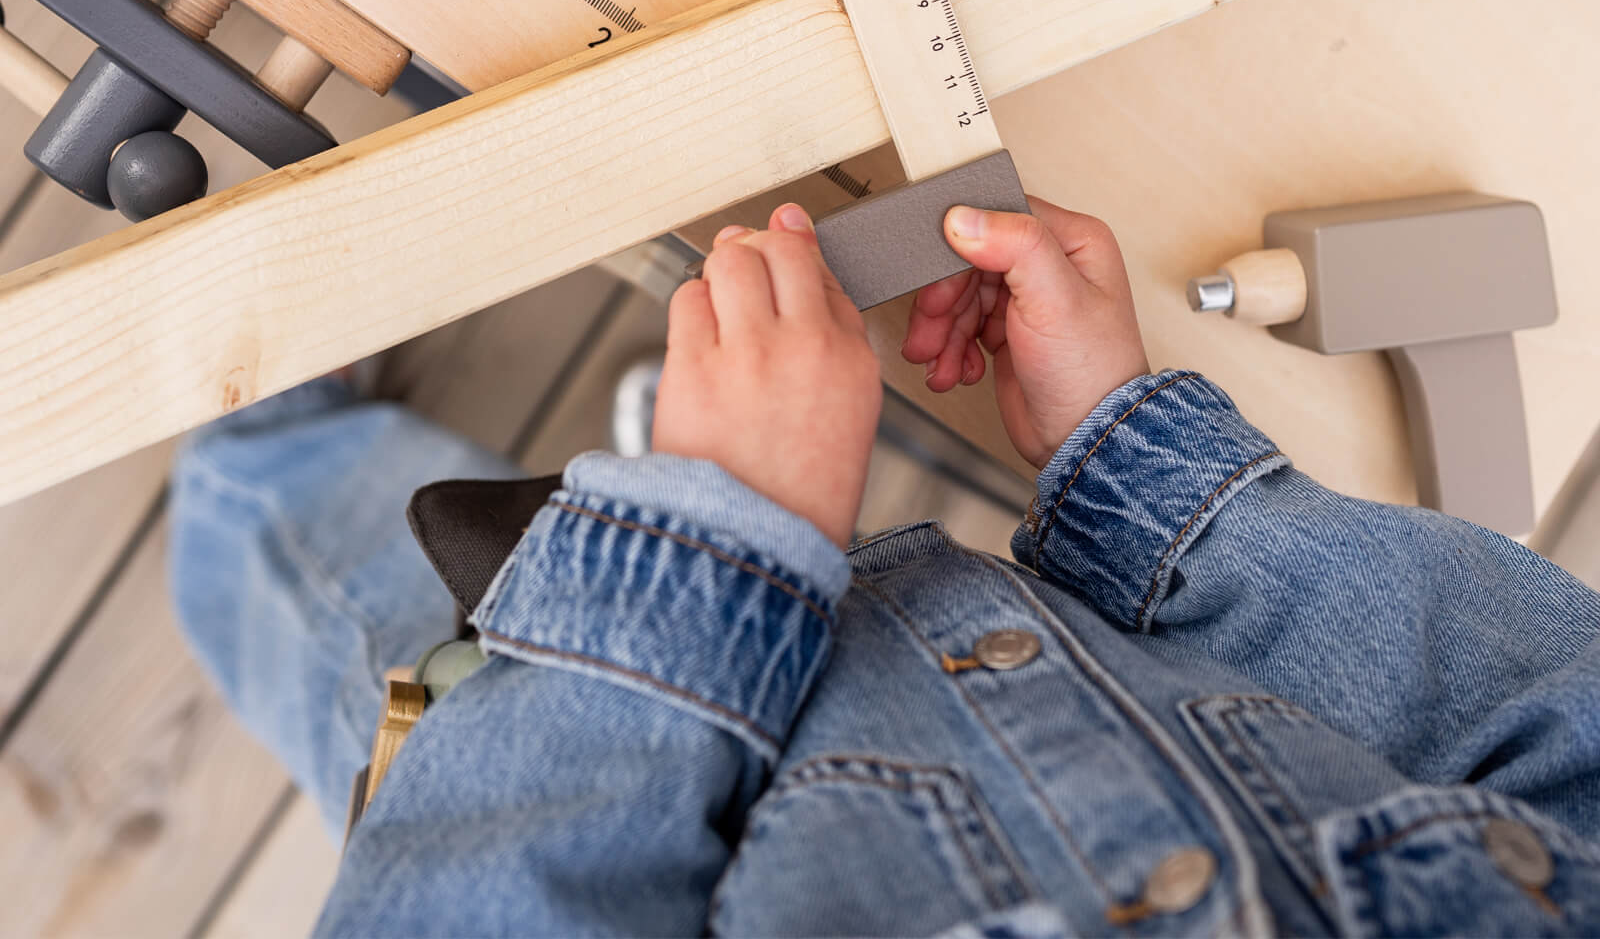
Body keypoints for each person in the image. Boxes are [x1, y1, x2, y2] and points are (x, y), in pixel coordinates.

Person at [171, 199, 1600, 937]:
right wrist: (1143, 474)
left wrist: (702, 548)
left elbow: (466, 903)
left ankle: (251, 446)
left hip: (584, 729)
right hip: (976, 620)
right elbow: (1547, 729)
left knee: (334, 577)